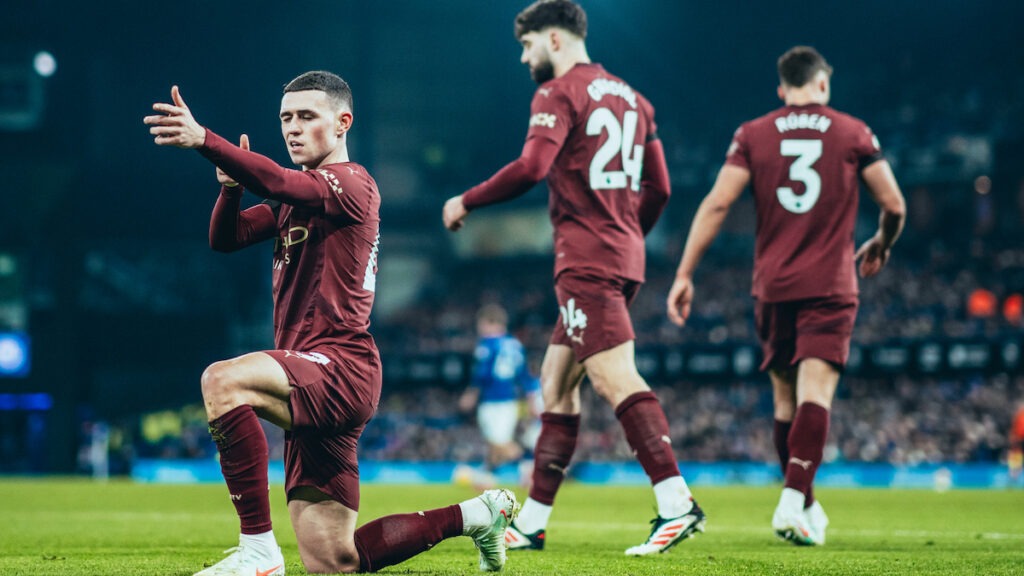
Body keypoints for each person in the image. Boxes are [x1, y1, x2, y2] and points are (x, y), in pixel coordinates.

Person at [144, 71, 517, 575]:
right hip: (313, 373)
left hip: (338, 365)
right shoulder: (296, 201)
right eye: (285, 119)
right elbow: (226, 238)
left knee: (222, 380)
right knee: (334, 561)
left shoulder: (353, 182)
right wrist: (231, 189)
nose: (293, 129)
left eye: (306, 117)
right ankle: (477, 513)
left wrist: (206, 141)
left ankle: (258, 549)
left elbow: (276, 180)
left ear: (343, 123)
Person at [443, 0, 704, 556]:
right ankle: (532, 522)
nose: (523, 57)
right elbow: (660, 189)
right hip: (619, 255)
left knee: (615, 379)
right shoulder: (637, 100)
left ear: (555, 39)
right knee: (556, 386)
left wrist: (467, 199)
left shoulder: (558, 92)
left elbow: (532, 168)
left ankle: (677, 504)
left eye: (527, 44)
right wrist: (628, 236)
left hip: (587, 261)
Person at [666, 46, 906, 546]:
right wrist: (883, 240)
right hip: (830, 283)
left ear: (781, 89)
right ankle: (793, 503)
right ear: (822, 85)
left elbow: (717, 204)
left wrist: (685, 273)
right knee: (815, 394)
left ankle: (805, 506)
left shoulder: (752, 134)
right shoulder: (852, 131)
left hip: (773, 286)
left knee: (784, 398)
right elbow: (895, 204)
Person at [455, 303, 542, 488]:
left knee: (500, 443)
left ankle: (533, 468)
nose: (480, 329)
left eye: (481, 324)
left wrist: (470, 394)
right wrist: (532, 399)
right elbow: (525, 376)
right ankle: (488, 475)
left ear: (489, 323)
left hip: (493, 400)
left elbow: (482, 374)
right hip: (510, 400)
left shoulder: (487, 344)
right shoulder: (515, 344)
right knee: (494, 443)